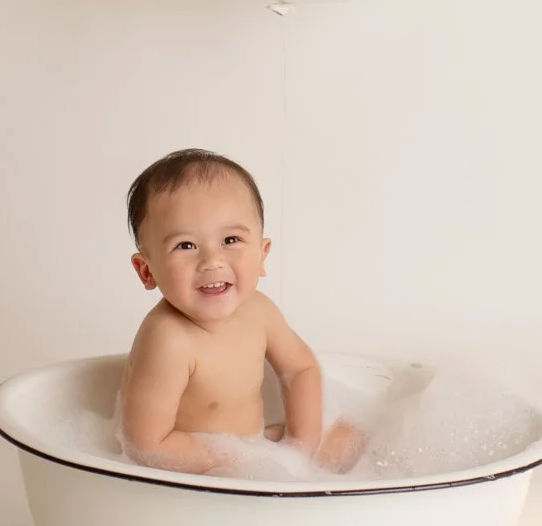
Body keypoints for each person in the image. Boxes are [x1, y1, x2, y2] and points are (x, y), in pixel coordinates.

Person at [118, 148, 362, 477]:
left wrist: (300, 447)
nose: (212, 261)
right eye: (185, 245)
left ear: (262, 254)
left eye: (230, 239)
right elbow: (147, 445)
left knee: (348, 438)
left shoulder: (259, 311)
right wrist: (239, 462)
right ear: (146, 271)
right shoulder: (168, 339)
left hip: (250, 450)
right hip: (192, 472)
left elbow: (301, 369)